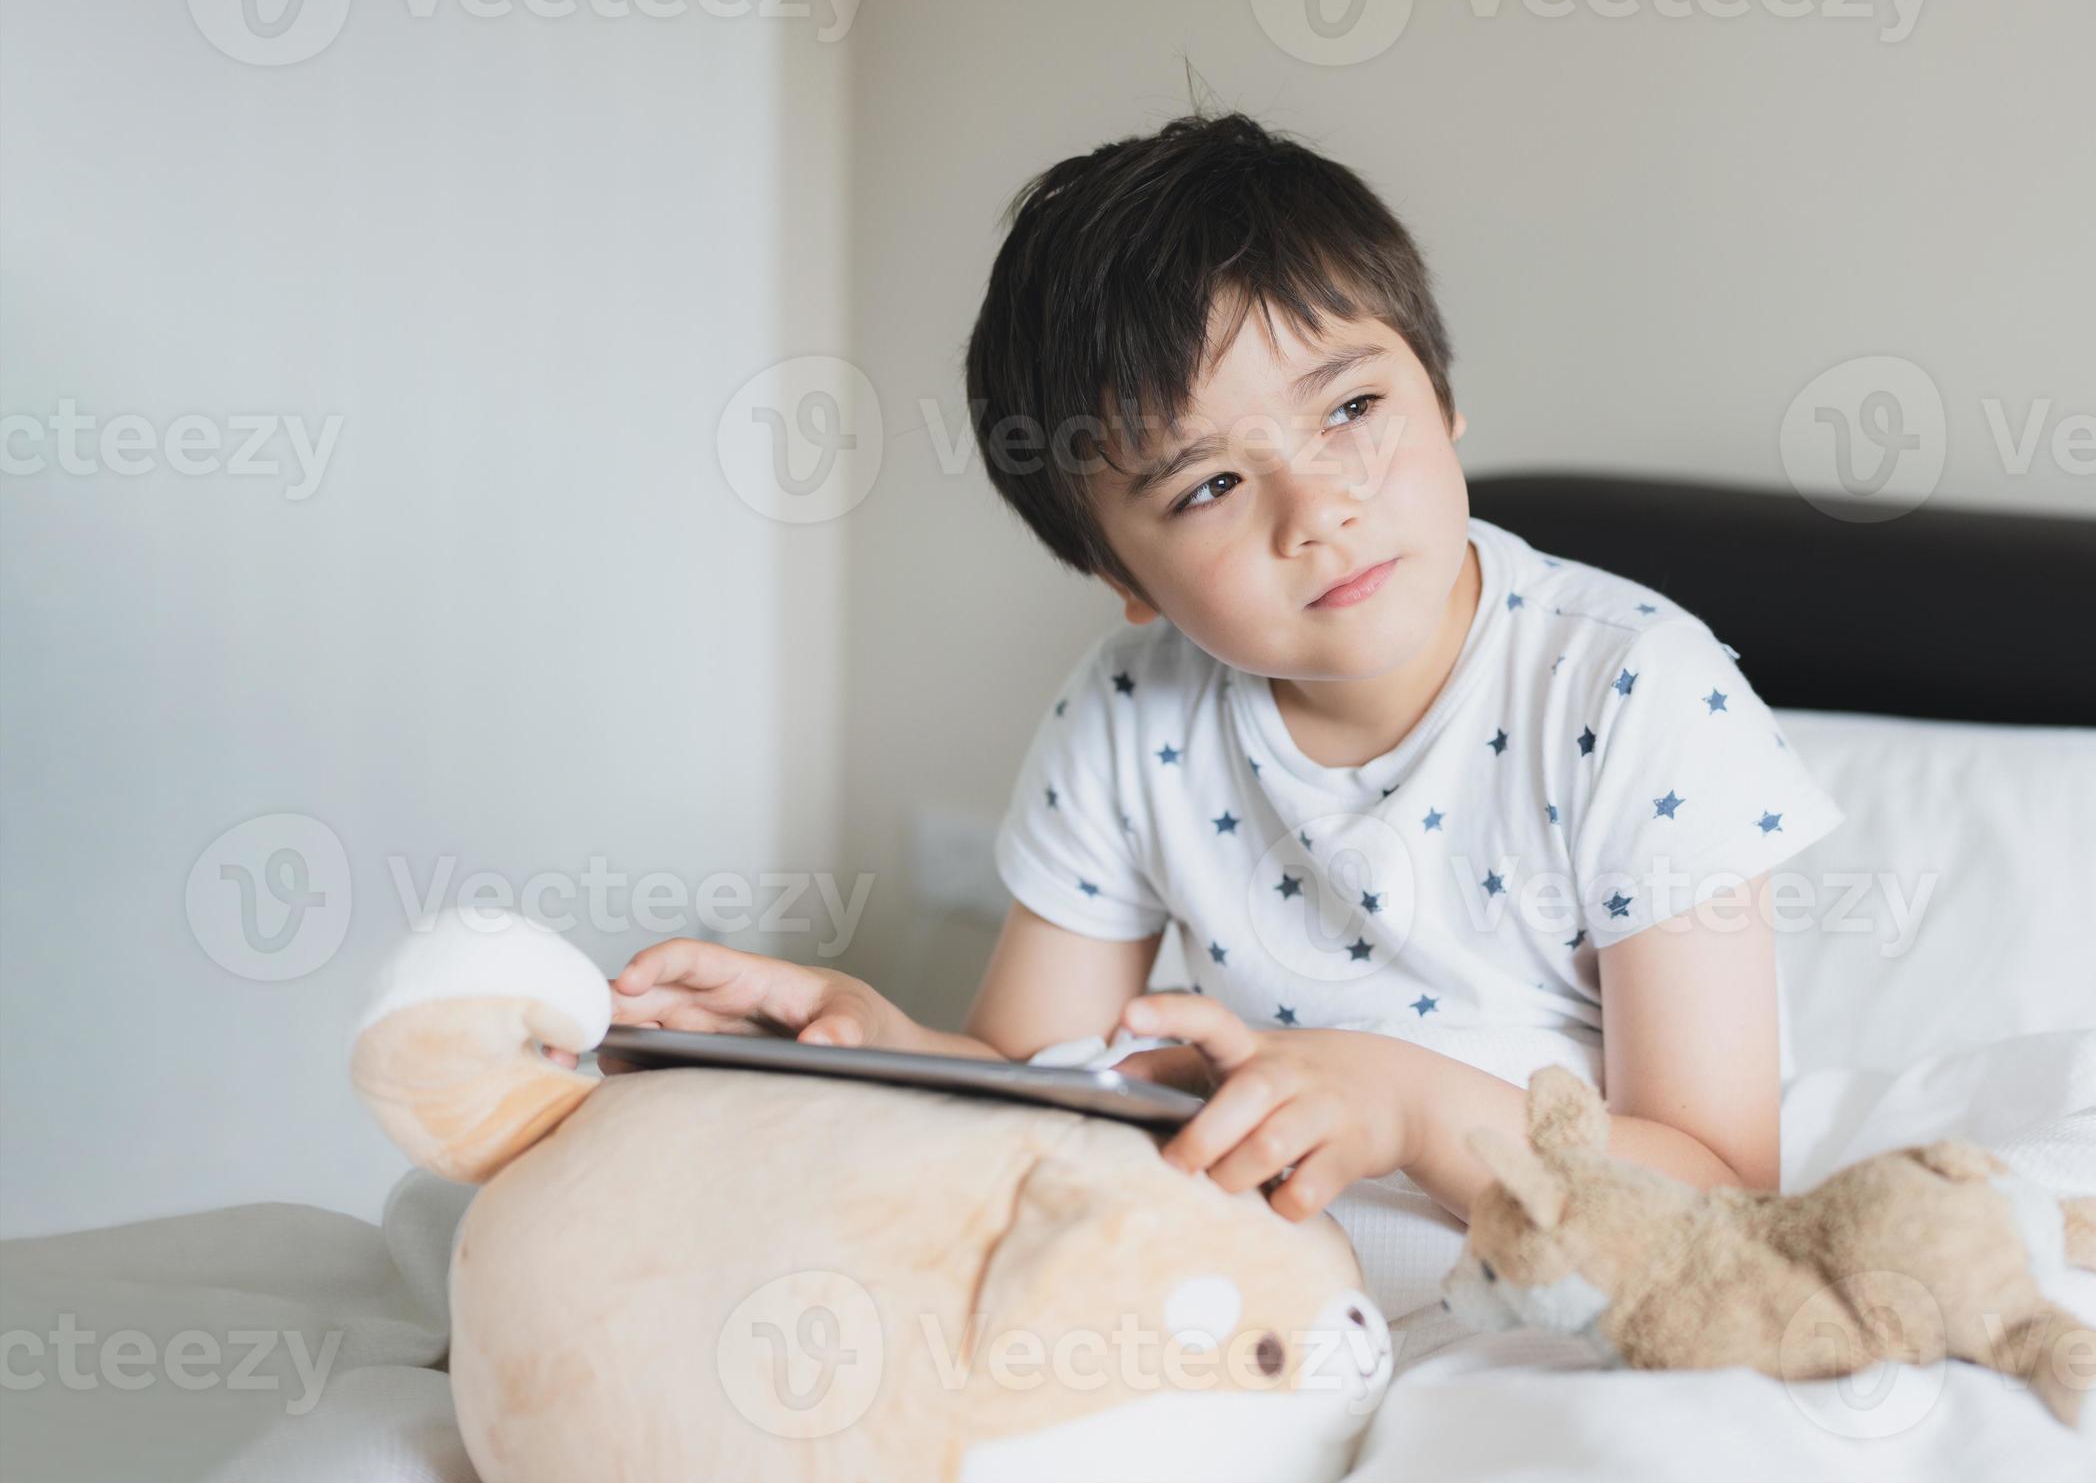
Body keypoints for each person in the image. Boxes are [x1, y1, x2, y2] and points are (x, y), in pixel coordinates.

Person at [612, 110, 1848, 1323]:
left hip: (1542, 1281)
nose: (1317, 507)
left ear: (1444, 394)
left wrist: (1409, 1109)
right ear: (1127, 580)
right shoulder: (1126, 711)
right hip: (1240, 1287)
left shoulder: (1632, 692)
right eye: (1208, 484)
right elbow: (1041, 1078)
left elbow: (1728, 1192)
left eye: (1352, 409)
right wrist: (873, 1040)